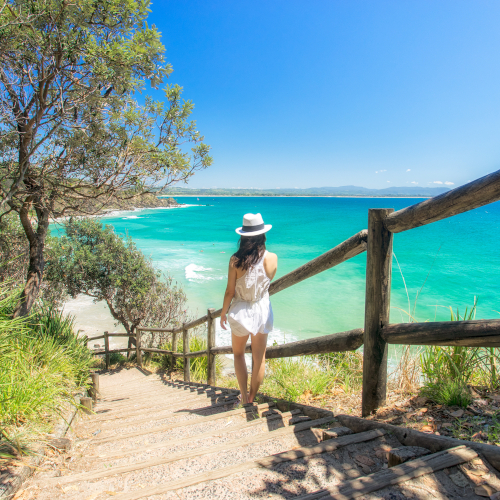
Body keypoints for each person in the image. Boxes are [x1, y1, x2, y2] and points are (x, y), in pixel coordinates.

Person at [220, 213, 278, 404]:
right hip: (262, 310)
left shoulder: (235, 260)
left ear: (243, 236)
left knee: (238, 355)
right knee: (259, 358)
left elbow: (230, 291)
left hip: (240, 311)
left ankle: (243, 396)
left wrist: (222, 313)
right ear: (263, 235)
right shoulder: (272, 258)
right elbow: (267, 281)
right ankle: (252, 398)